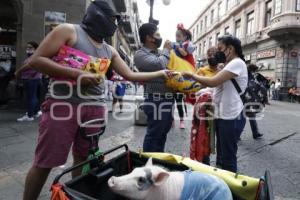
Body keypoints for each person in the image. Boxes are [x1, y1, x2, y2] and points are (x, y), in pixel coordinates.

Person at [22, 1, 175, 200]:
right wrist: (77, 74)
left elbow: (131, 75)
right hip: (63, 106)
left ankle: (74, 195)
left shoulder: (109, 50)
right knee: (45, 162)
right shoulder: (68, 31)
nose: (114, 24)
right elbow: (36, 60)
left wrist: (162, 73)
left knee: (82, 159)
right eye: (112, 19)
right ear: (98, 15)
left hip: (94, 109)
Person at [182, 35, 248, 172]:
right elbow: (217, 88)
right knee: (221, 155)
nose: (217, 52)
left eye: (220, 49)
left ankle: (231, 189)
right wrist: (200, 92)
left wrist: (192, 75)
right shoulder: (228, 65)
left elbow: (214, 81)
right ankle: (221, 182)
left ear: (230, 49)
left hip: (232, 116)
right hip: (223, 114)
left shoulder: (237, 63)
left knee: (228, 157)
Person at [134, 23, 175, 152]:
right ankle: (149, 164)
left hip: (168, 99)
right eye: (157, 34)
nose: (160, 37)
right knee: (154, 135)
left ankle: (158, 160)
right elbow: (160, 65)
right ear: (149, 38)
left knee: (162, 134)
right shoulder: (140, 54)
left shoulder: (160, 53)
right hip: (155, 100)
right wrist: (167, 50)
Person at [190, 47, 219, 165]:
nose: (211, 56)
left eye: (214, 54)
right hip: (205, 109)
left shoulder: (223, 70)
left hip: (220, 108)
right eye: (209, 54)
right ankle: (204, 161)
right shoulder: (201, 70)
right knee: (205, 134)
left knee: (218, 135)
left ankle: (219, 163)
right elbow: (193, 86)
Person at [173, 23, 196, 128]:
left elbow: (184, 54)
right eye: (176, 35)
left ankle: (181, 120)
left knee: (179, 100)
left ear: (185, 37)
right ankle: (172, 120)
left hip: (184, 74)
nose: (176, 37)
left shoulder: (187, 45)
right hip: (175, 74)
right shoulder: (176, 45)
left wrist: (178, 47)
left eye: (179, 35)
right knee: (173, 100)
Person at [15, 41, 42, 122]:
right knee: (34, 96)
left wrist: (18, 71)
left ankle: (30, 115)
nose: (28, 49)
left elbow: (30, 65)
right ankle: (36, 112)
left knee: (31, 97)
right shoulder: (33, 56)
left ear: (35, 49)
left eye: (30, 47)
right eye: (27, 47)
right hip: (34, 79)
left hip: (31, 79)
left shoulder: (34, 57)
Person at [246, 64, 264, 139]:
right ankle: (255, 133)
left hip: (249, 100)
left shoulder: (251, 76)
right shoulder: (249, 77)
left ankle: (255, 133)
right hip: (246, 99)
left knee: (251, 116)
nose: (256, 72)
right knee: (246, 117)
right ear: (253, 70)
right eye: (256, 70)